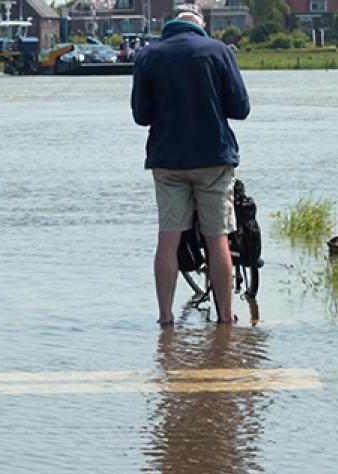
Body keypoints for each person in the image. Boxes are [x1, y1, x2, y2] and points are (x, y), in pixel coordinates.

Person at [131, 3, 249, 326]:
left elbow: (141, 116)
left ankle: (165, 319)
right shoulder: (219, 51)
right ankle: (226, 318)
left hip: (168, 161)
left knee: (167, 238)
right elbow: (241, 108)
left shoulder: (149, 56)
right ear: (200, 24)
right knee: (218, 239)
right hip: (213, 159)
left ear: (172, 24)